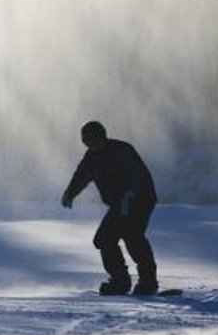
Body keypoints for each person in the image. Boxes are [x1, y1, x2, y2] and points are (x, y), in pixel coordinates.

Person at [61, 121, 159, 295]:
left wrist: (131, 193)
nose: (90, 144)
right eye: (86, 141)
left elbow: (139, 175)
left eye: (93, 139)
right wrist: (70, 193)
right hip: (119, 204)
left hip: (140, 200)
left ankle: (148, 282)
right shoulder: (91, 156)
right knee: (103, 239)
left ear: (102, 136)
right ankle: (120, 281)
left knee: (133, 236)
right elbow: (81, 175)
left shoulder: (122, 150)